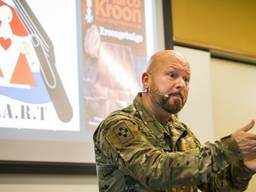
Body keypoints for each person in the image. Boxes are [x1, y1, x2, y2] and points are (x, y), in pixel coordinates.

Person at [93, 50, 256, 192]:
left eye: (186, 80)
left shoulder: (182, 132)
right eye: (172, 75)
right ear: (146, 80)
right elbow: (155, 172)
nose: (181, 84)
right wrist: (228, 147)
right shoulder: (118, 124)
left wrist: (244, 167)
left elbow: (214, 186)